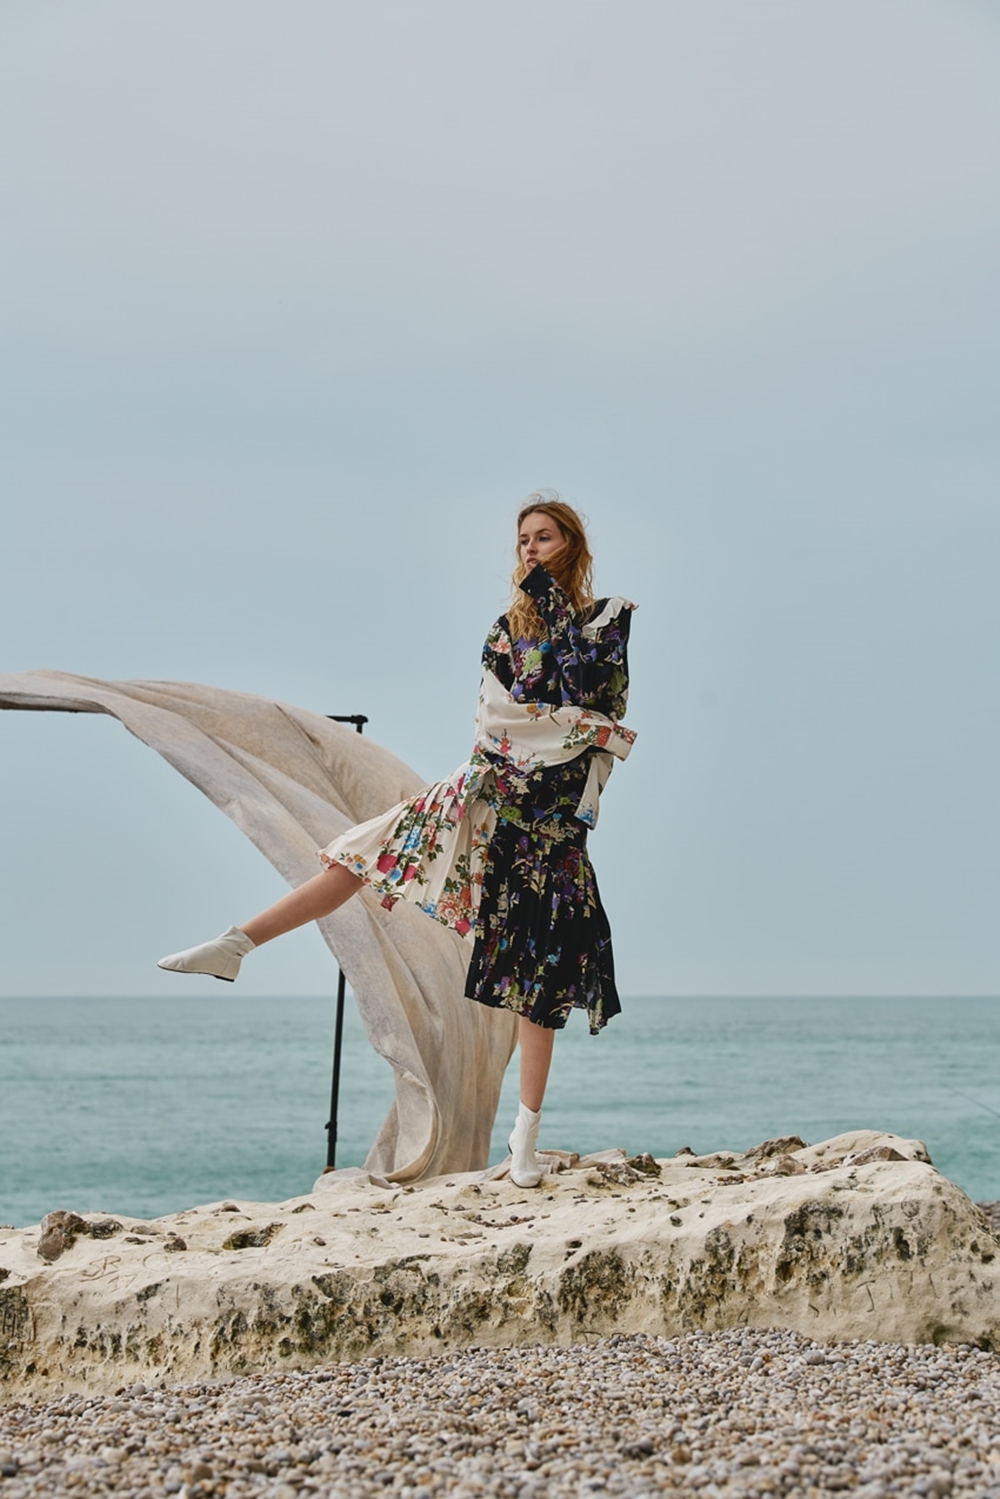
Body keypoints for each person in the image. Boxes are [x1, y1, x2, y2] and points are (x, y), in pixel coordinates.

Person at [158, 494, 636, 1187]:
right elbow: (502, 719)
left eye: (545, 538)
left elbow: (594, 700)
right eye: (523, 540)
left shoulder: (606, 620)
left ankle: (525, 1143)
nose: (530, 549)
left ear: (573, 545)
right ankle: (238, 944)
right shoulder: (506, 629)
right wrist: (554, 726)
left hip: (552, 820)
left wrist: (560, 712)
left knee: (539, 981)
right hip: (489, 789)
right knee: (365, 852)